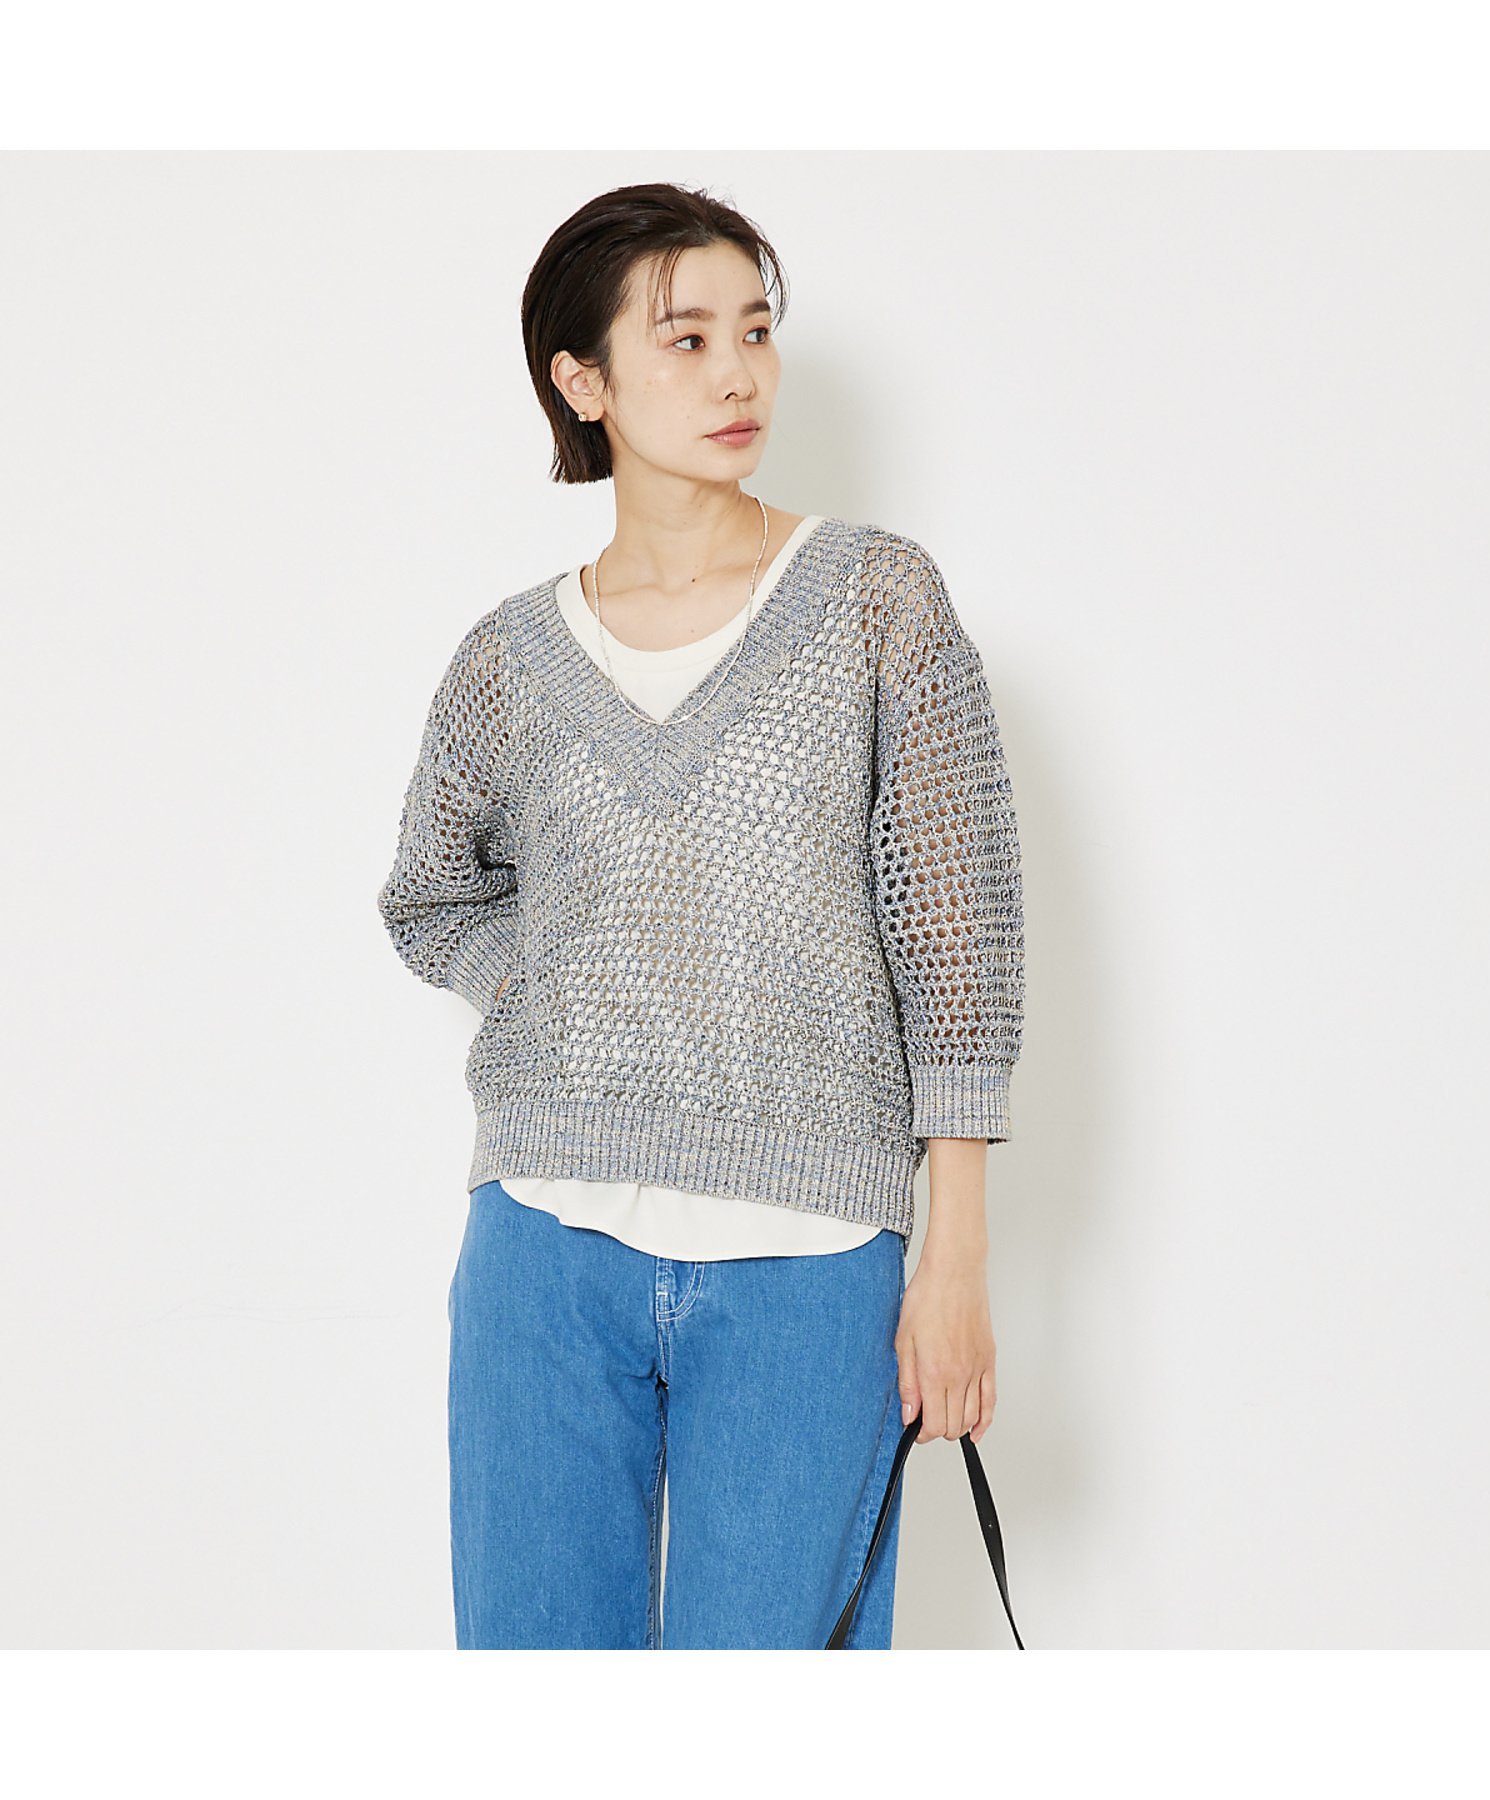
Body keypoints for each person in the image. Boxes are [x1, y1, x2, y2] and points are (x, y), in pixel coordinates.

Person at [376, 181, 1026, 1649]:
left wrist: (957, 1259)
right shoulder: (507, 660)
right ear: (583, 381)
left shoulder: (877, 602)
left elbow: (961, 948)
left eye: (756, 330)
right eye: (685, 340)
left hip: (814, 1261)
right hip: (545, 1251)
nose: (738, 374)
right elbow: (430, 897)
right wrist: (559, 990)